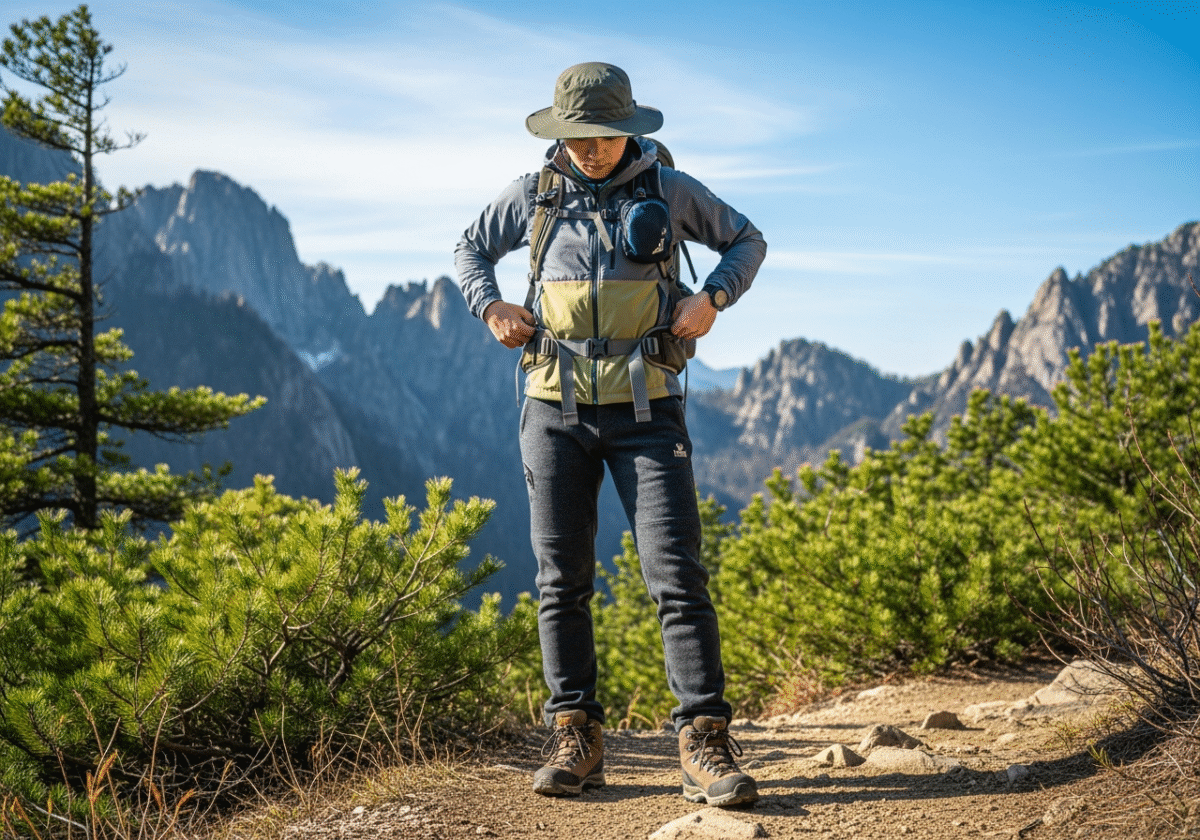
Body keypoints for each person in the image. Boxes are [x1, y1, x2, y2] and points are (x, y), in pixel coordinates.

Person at [454, 62, 766, 807]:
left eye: (602, 134)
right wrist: (491, 307)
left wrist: (713, 299)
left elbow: (747, 241)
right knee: (560, 581)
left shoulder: (670, 189)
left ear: (629, 129)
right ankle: (576, 736)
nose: (589, 148)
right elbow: (469, 249)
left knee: (676, 575)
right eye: (576, 135)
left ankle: (703, 741)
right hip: (551, 409)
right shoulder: (533, 195)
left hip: (648, 408)